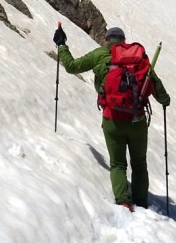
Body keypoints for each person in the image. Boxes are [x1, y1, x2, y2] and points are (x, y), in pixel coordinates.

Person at [54, 24, 169, 211]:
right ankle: (141, 202)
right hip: (137, 120)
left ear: (106, 40)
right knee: (139, 163)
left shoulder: (99, 54)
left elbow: (72, 66)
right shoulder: (138, 57)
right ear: (123, 41)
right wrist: (165, 100)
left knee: (117, 163)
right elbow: (158, 89)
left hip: (112, 119)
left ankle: (124, 201)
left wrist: (62, 45)